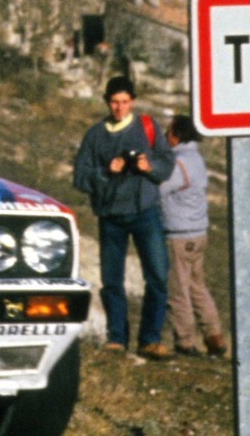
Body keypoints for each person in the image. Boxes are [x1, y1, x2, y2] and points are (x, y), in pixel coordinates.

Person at [73, 75, 176, 359]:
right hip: (111, 217)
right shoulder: (95, 136)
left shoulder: (148, 127)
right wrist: (107, 171)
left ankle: (150, 340)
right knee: (112, 281)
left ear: (133, 102)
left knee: (157, 277)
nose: (119, 108)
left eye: (125, 102)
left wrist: (148, 166)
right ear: (107, 102)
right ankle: (117, 338)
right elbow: (80, 178)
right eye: (114, 102)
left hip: (146, 212)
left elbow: (167, 165)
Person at [158, 115, 226, 357]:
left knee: (177, 290)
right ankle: (214, 336)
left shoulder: (179, 163)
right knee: (197, 287)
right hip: (198, 233)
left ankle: (185, 341)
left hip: (178, 233)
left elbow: (160, 188)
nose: (165, 136)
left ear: (176, 135)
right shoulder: (196, 158)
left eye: (168, 132)